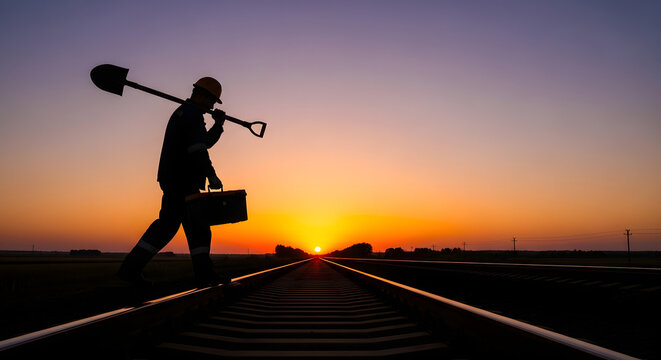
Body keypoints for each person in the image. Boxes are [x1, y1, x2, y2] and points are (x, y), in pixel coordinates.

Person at [117, 77, 230, 287]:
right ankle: (204, 275)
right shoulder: (191, 114)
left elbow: (203, 142)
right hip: (183, 180)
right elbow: (198, 150)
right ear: (203, 96)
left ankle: (129, 270)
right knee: (197, 228)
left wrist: (218, 125)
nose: (212, 106)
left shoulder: (186, 113)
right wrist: (211, 175)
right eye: (212, 101)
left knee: (170, 226)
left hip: (175, 179)